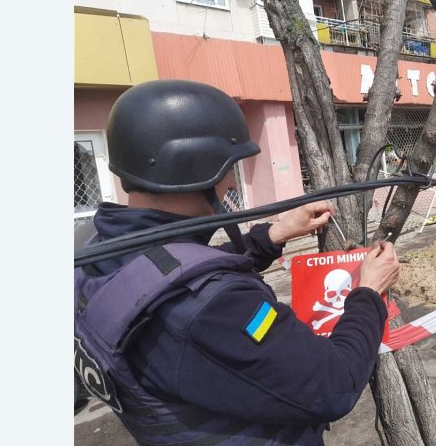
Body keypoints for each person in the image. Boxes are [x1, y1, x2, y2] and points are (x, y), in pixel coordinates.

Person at [74, 80, 400, 445]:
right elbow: (332, 385)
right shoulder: (216, 309)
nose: (231, 182)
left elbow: (162, 276)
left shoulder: (96, 253)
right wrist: (369, 293)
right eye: (226, 168)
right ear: (191, 168)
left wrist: (273, 234)